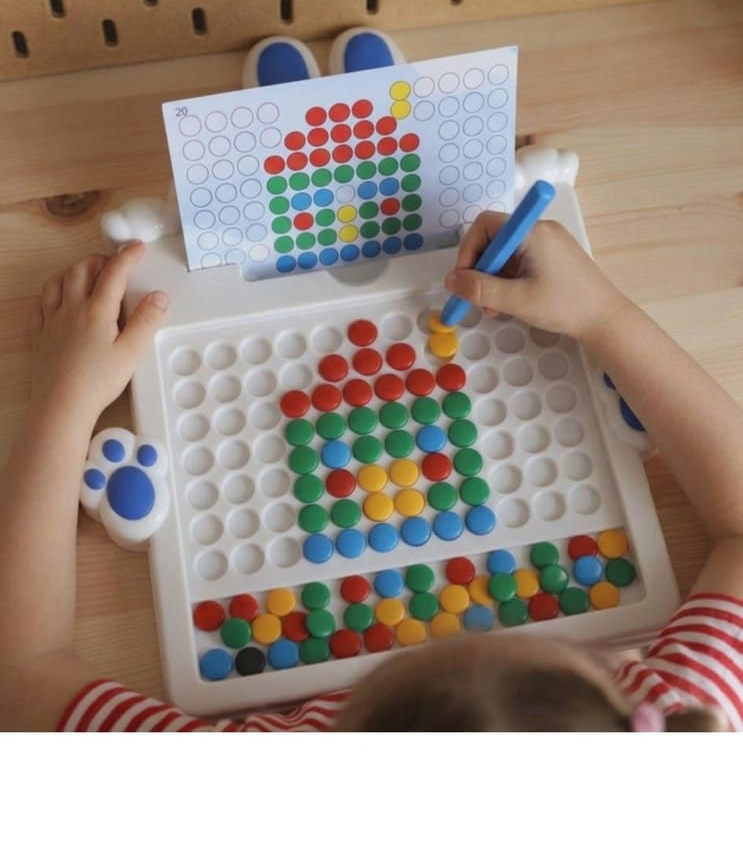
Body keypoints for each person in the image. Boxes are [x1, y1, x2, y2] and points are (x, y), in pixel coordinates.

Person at [1, 207, 741, 732]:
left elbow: (24, 673)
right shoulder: (679, 731)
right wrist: (606, 316)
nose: (449, 627)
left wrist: (62, 399)